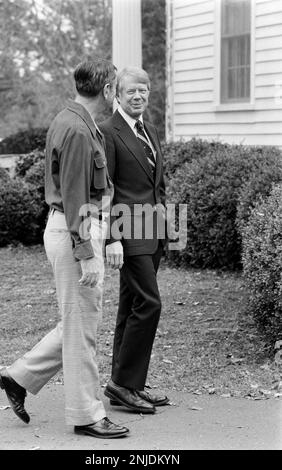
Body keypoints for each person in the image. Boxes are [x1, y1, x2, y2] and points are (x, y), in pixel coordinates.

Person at [0, 59, 129, 439]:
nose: (116, 95)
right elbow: (74, 197)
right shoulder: (76, 130)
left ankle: (18, 378)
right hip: (76, 230)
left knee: (78, 320)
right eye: (115, 88)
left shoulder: (78, 122)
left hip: (78, 227)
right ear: (105, 91)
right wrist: (85, 251)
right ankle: (86, 415)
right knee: (82, 328)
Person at [99, 67, 169, 414]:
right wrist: (111, 238)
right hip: (127, 231)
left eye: (144, 90)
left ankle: (129, 383)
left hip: (152, 229)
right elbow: (105, 189)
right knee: (150, 303)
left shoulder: (148, 128)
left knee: (131, 306)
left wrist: (167, 229)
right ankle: (122, 384)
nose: (138, 96)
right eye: (131, 92)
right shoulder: (108, 132)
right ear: (117, 95)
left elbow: (157, 185)